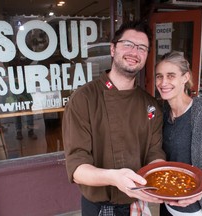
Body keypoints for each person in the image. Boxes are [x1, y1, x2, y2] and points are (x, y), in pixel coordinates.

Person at [62, 20, 166, 216]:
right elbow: (77, 168)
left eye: (142, 48)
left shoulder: (151, 105)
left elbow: (155, 154)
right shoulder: (84, 99)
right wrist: (114, 177)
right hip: (101, 208)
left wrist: (157, 175)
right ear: (112, 49)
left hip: (138, 204)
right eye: (128, 44)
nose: (134, 52)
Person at [155, 51, 202, 216]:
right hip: (166, 200)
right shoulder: (162, 110)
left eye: (171, 76)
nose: (163, 82)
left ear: (185, 77)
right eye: (159, 76)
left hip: (194, 206)